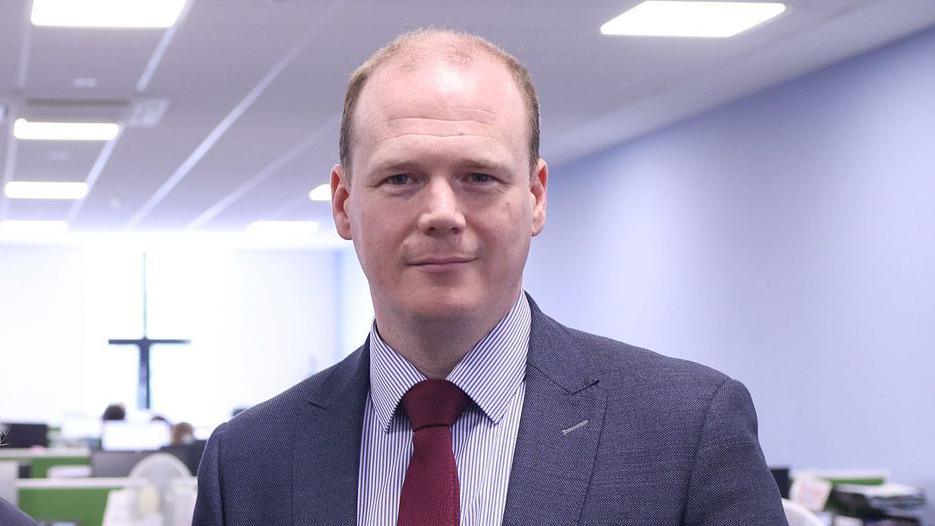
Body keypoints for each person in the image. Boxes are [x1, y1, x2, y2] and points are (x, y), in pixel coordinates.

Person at [193, 29, 787, 525]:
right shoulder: (248, 462)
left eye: (478, 176)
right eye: (401, 178)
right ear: (344, 204)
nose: (442, 214)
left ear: (534, 197)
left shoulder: (686, 432)